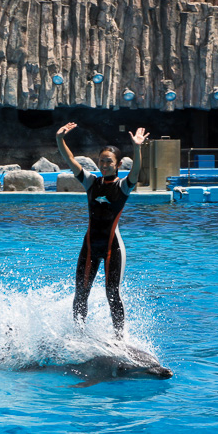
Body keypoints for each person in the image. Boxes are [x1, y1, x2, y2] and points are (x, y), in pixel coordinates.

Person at [55, 122, 150, 338]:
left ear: (116, 165)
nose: (104, 165)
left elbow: (136, 172)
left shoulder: (122, 186)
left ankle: (119, 338)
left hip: (111, 248)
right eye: (102, 161)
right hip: (89, 246)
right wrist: (60, 139)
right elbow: (70, 161)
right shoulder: (91, 183)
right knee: (81, 293)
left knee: (112, 294)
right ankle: (78, 334)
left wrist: (137, 148)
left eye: (109, 162)